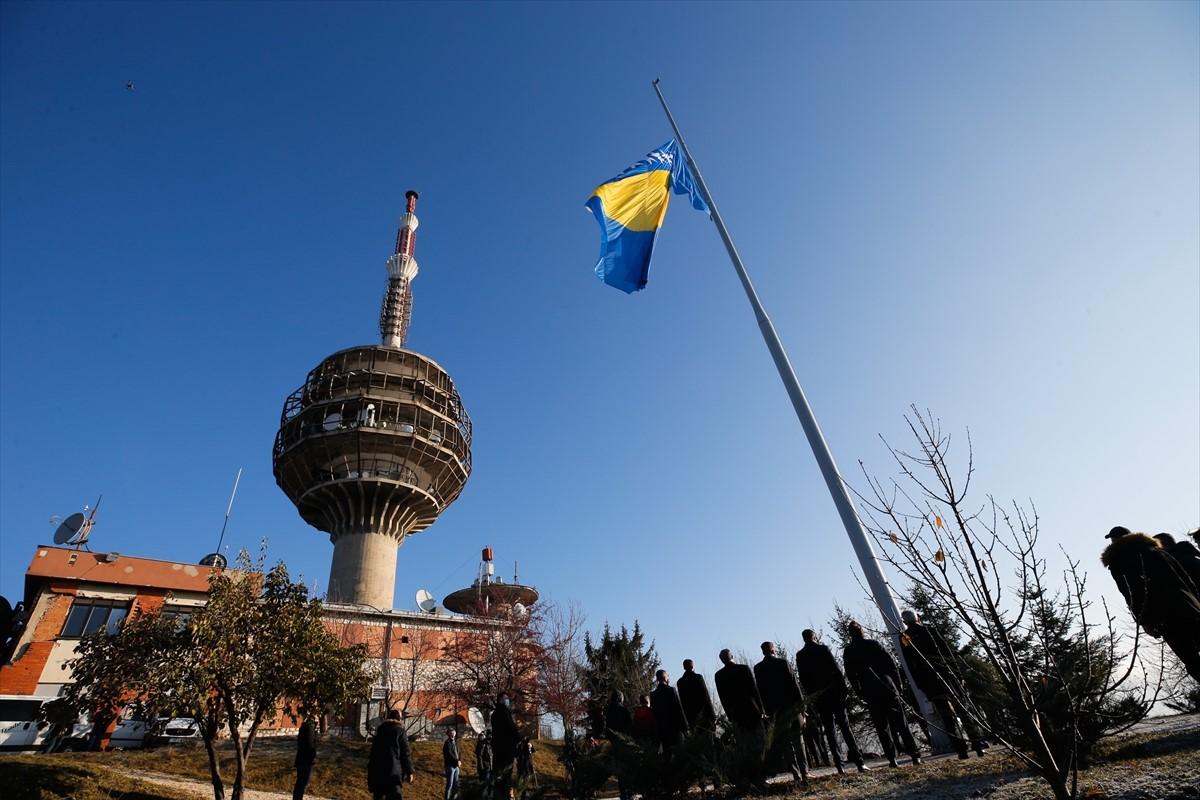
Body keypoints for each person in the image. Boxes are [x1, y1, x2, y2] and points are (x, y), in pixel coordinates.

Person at [1103, 526, 1200, 681]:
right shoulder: (1157, 551)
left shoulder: (1119, 561)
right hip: (1189, 606)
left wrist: (1144, 621)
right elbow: (1184, 580)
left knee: (1192, 661)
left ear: (1114, 541)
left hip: (1164, 617)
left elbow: (1130, 592)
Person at [898, 610, 986, 759]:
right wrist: (957, 674)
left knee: (947, 717)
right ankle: (978, 745)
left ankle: (961, 750)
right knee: (963, 711)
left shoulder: (905, 637)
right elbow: (947, 652)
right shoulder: (930, 631)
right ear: (917, 618)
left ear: (905, 622)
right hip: (947, 675)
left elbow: (910, 664)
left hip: (929, 682)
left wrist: (919, 685)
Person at [842, 621, 920, 768]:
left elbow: (851, 675)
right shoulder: (873, 644)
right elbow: (890, 664)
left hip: (870, 690)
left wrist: (860, 693)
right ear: (862, 631)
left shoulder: (849, 651)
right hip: (887, 686)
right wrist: (898, 684)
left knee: (881, 727)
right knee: (901, 723)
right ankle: (914, 755)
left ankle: (892, 759)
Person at [795, 629, 866, 774]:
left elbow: (803, 679)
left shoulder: (800, 655)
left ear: (803, 639)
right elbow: (836, 669)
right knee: (845, 727)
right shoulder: (823, 649)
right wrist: (844, 690)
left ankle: (839, 765)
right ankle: (859, 762)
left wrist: (811, 699)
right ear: (814, 636)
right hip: (834, 693)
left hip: (820, 698)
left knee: (830, 730)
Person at [753, 641, 808, 784]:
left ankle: (795, 772)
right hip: (790, 707)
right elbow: (794, 685)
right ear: (773, 650)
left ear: (763, 651)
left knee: (786, 743)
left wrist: (766, 711)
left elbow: (760, 691)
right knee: (798, 741)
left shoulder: (758, 668)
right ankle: (804, 772)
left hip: (775, 711)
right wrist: (802, 707)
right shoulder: (783, 663)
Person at [713, 649, 765, 733]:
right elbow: (754, 690)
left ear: (722, 660)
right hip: (752, 709)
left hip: (735, 713)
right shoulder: (743, 669)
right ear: (732, 656)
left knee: (745, 740)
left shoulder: (719, 676)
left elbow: (723, 698)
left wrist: (729, 715)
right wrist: (761, 709)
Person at [368, 709, 414, 800]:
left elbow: (373, 754)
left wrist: (370, 777)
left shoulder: (380, 731)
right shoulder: (400, 731)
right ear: (399, 719)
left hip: (378, 773)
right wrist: (410, 771)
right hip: (393, 774)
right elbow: (405, 753)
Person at [650, 669, 690, 757]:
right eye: (668, 676)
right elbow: (679, 709)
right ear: (665, 678)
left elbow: (655, 714)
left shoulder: (653, 694)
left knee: (667, 754)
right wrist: (685, 727)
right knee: (679, 753)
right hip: (674, 728)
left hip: (662, 729)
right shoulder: (671, 690)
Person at [604, 691, 634, 800]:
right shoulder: (623, 710)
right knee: (628, 769)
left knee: (620, 771)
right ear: (620, 698)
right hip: (624, 743)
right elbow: (630, 726)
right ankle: (629, 793)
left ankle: (623, 794)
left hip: (615, 743)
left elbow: (607, 729)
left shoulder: (609, 711)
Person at [490, 692, 519, 800]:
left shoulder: (494, 714)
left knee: (498, 774)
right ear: (501, 700)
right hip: (506, 748)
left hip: (497, 748)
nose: (508, 700)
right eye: (506, 698)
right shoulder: (504, 712)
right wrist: (519, 738)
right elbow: (511, 727)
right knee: (507, 774)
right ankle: (506, 795)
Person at [677, 659, 716, 732]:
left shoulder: (680, 682)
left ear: (684, 667)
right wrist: (712, 715)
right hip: (703, 714)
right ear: (692, 666)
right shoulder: (698, 678)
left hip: (691, 717)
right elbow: (705, 696)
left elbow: (683, 701)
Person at [293, 714, 318, 800]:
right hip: (306, 760)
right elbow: (310, 744)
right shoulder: (310, 727)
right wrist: (313, 757)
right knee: (302, 782)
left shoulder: (304, 726)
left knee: (300, 782)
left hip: (301, 759)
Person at [442, 728, 461, 800]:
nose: (453, 734)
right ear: (448, 734)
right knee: (449, 785)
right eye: (451, 733)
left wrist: (460, 760)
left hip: (456, 767)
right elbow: (449, 754)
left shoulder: (456, 742)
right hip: (450, 766)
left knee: (456, 785)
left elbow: (459, 752)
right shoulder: (447, 743)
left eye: (454, 733)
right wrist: (457, 761)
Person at [474, 731, 493, 800]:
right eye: (490, 735)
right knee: (485, 785)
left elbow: (492, 756)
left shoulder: (490, 744)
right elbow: (479, 756)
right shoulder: (483, 744)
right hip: (485, 767)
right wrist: (481, 767)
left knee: (491, 785)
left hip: (491, 767)